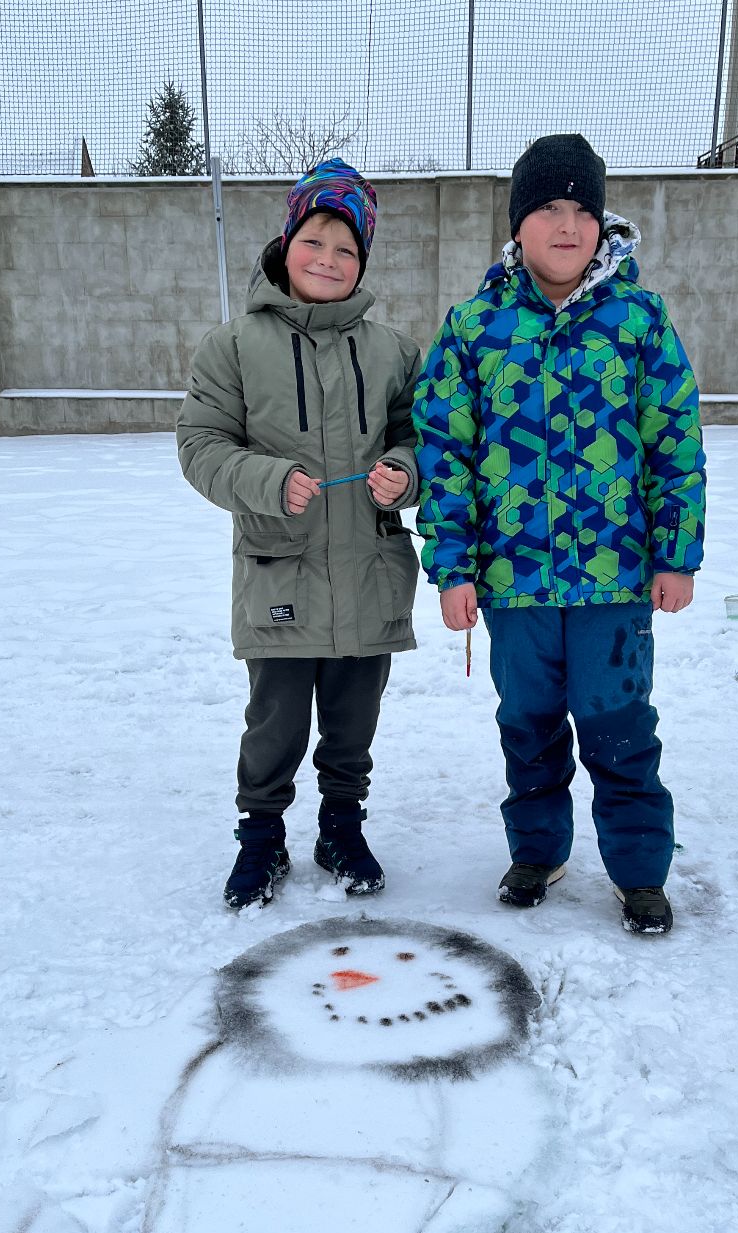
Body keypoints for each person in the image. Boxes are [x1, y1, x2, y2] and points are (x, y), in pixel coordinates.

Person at [413, 134, 705, 934]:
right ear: (518, 224)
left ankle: (640, 872)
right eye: (548, 207)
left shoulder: (638, 320)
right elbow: (445, 455)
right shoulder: (475, 327)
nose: (568, 224)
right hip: (516, 582)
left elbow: (674, 441)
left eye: (582, 208)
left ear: (602, 223)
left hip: (616, 577)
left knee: (619, 728)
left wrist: (676, 554)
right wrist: (453, 567)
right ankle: (538, 852)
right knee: (529, 726)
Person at [176, 159, 421, 910]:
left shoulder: (393, 351)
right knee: (275, 720)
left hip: (369, 570)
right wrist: (267, 480)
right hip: (279, 568)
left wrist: (406, 473)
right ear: (286, 245)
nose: (328, 259)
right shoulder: (232, 346)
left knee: (354, 720)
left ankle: (341, 827)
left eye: (347, 249)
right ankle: (262, 837)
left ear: (363, 263)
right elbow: (201, 447)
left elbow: (425, 439)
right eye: (314, 240)